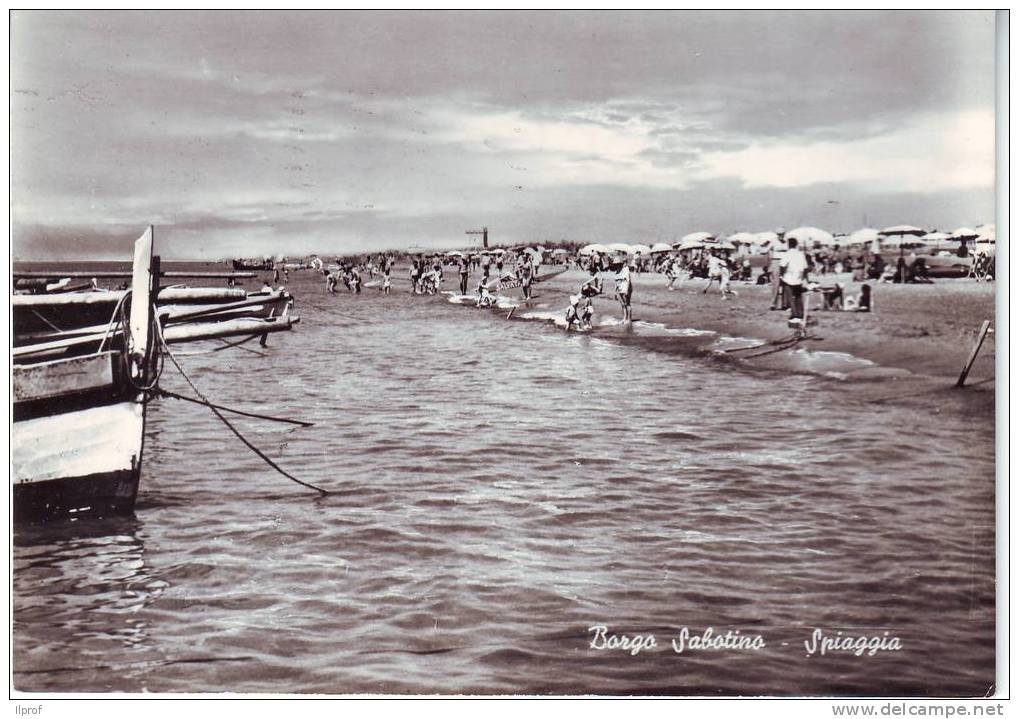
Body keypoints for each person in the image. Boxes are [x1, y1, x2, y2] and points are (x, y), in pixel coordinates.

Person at [780, 237, 809, 323]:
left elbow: (782, 265)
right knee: (798, 297)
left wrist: (782, 275)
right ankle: (801, 313)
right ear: (796, 244)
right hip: (798, 278)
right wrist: (804, 277)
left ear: (789, 245)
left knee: (790, 297)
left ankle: (794, 314)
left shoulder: (787, 254)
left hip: (789, 278)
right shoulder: (801, 254)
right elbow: (806, 268)